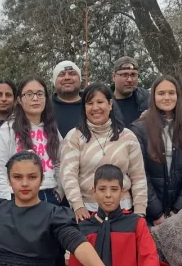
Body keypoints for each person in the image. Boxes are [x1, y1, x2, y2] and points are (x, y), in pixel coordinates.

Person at [65, 164, 161, 266]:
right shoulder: (83, 228)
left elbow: (149, 258)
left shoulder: (136, 223)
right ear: (93, 191)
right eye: (102, 189)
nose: (108, 195)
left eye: (114, 189)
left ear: (122, 191)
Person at [60, 83, 147, 220]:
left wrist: (140, 210)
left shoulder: (127, 136)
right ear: (84, 107)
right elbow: (68, 175)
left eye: (100, 102)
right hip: (87, 212)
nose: (95, 108)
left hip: (124, 210)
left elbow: (138, 176)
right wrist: (77, 205)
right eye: (90, 103)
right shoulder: (74, 137)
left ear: (110, 104)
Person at [129, 75, 182, 225]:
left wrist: (178, 209)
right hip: (150, 214)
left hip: (180, 213)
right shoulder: (140, 129)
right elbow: (139, 173)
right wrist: (156, 212)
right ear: (153, 97)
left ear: (178, 96)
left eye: (171, 93)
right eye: (161, 93)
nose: (167, 97)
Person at [0, 77, 62, 203]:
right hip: (16, 199)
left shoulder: (52, 129)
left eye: (39, 94)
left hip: (49, 197)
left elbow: (60, 163)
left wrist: (59, 193)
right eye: (28, 94)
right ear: (19, 100)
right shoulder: (6, 131)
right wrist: (5, 204)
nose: (35, 98)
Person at [110, 57, 149, 126]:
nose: (130, 80)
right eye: (124, 75)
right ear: (113, 76)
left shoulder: (147, 102)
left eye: (133, 75)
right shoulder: (104, 103)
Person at [51, 60, 84, 136]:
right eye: (61, 75)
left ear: (80, 80)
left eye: (72, 74)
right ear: (54, 82)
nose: (67, 77)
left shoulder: (92, 106)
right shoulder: (45, 108)